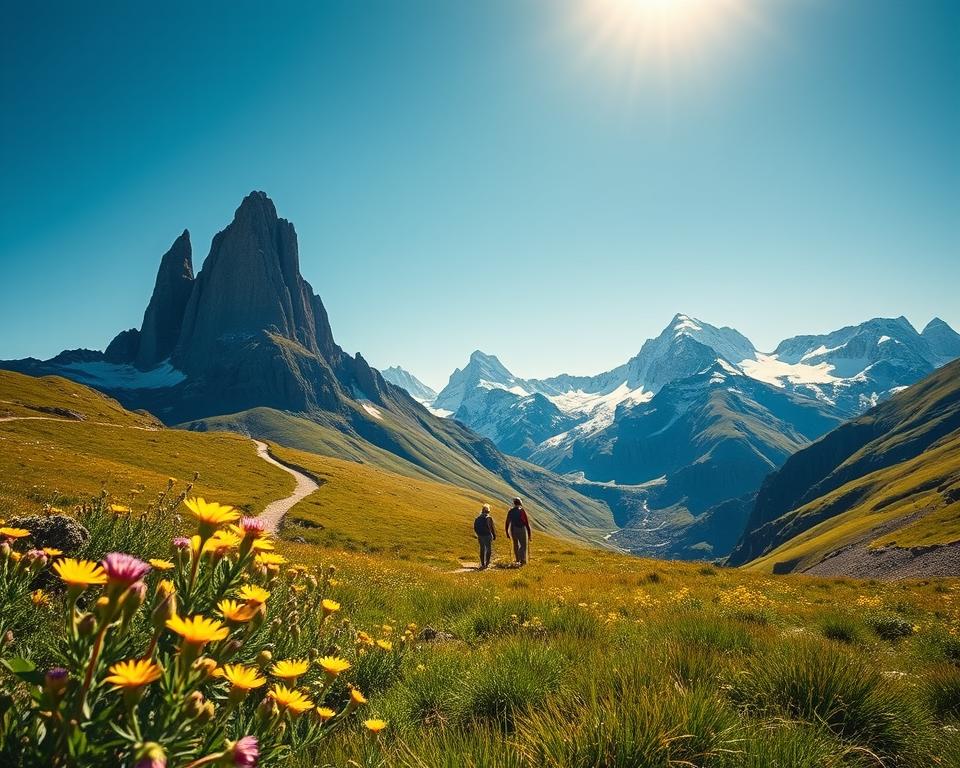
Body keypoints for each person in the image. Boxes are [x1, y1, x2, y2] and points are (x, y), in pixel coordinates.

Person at [504, 497, 532, 566]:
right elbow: (526, 522)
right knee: (523, 545)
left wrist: (507, 532)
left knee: (515, 544)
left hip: (512, 529)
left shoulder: (510, 511)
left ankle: (517, 560)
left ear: (514, 503)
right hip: (521, 529)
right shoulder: (521, 510)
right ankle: (522, 560)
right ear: (520, 503)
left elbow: (507, 522)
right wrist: (529, 533)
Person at [473, 504, 496, 569]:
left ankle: (482, 563)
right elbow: (492, 528)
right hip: (487, 535)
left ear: (482, 511)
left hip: (480, 536)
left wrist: (478, 534)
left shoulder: (477, 518)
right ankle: (487, 564)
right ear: (488, 511)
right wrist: (494, 535)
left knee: (482, 549)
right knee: (488, 549)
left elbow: (475, 527)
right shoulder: (488, 518)